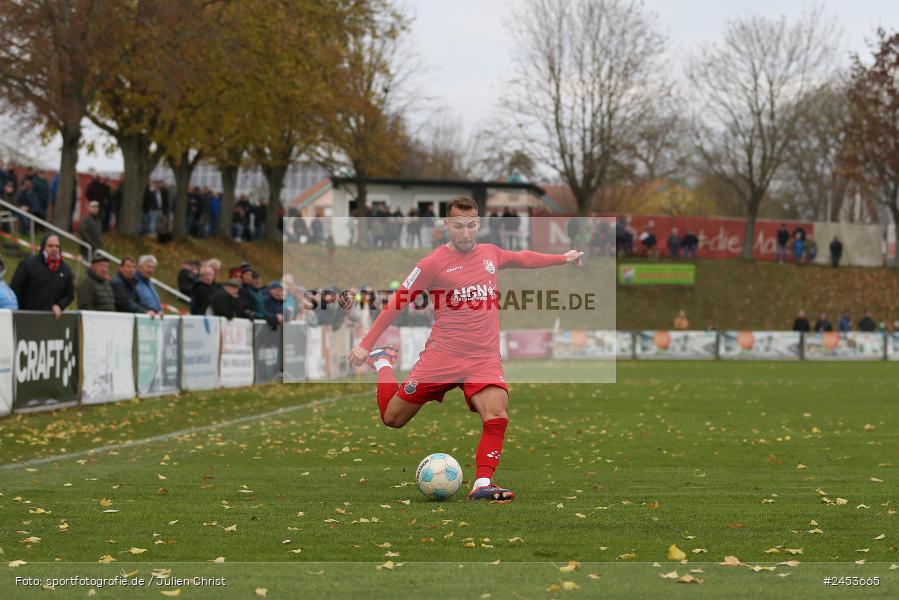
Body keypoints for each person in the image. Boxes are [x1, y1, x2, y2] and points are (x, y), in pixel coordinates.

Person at [347, 195, 584, 503]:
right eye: (459, 226)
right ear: (447, 225)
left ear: (478, 223)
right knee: (393, 418)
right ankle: (383, 363)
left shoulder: (491, 253)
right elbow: (398, 301)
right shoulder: (431, 264)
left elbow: (522, 258)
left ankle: (482, 484)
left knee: (497, 413)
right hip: (442, 357)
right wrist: (366, 345)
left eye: (471, 225)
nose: (466, 232)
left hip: (483, 358)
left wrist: (562, 258)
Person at [10, 235, 74, 317]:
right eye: (50, 246)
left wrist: (60, 305)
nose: (54, 249)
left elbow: (69, 295)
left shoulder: (65, 269)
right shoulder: (28, 265)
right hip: (27, 317)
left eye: (57, 246)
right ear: (43, 247)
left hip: (52, 319)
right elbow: (15, 289)